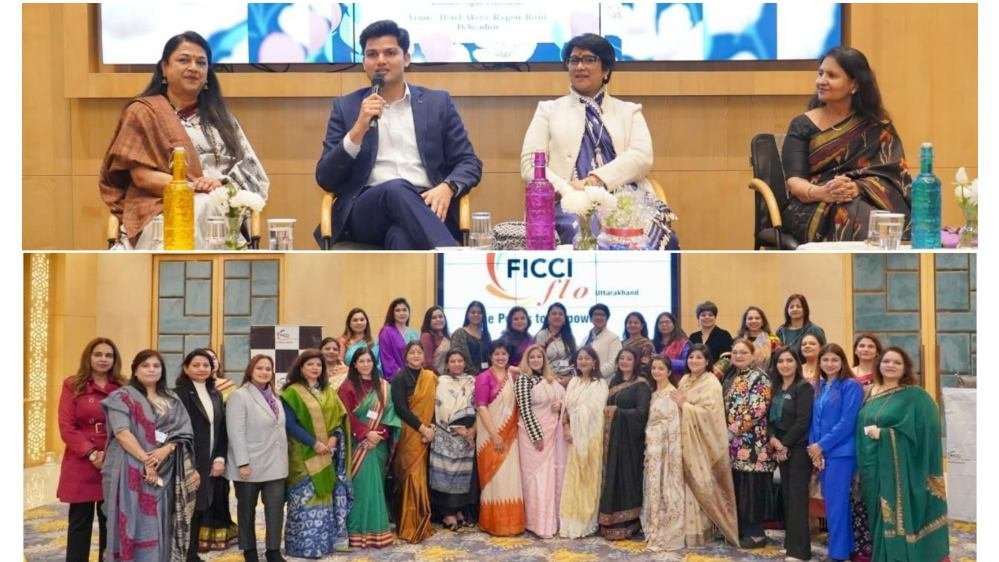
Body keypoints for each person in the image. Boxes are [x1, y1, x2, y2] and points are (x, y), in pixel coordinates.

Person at [315, 19, 482, 249]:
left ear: (407, 58)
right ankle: (452, 258)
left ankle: (435, 266)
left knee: (402, 237)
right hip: (367, 209)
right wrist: (358, 129)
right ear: (364, 63)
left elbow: (469, 162)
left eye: (390, 53)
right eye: (372, 54)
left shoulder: (437, 103)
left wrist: (448, 187)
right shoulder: (346, 107)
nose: (380, 60)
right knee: (396, 189)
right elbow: (326, 178)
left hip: (425, 204)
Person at [99, 31, 269, 250]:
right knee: (203, 205)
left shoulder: (223, 119)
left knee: (210, 206)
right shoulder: (143, 112)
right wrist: (193, 188)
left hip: (220, 207)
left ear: (208, 73)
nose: (193, 68)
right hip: (161, 207)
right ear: (164, 68)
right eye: (184, 60)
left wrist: (220, 184)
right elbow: (141, 177)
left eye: (201, 62)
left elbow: (253, 174)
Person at [519, 33, 676, 248]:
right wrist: (568, 191)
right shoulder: (548, 110)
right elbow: (530, 165)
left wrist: (593, 181)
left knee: (651, 236)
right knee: (584, 232)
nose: (579, 66)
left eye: (589, 59)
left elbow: (641, 157)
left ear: (606, 69)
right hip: (567, 202)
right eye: (574, 60)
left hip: (626, 198)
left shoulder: (629, 111)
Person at [781, 46, 911, 243]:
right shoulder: (802, 125)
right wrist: (824, 192)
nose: (821, 81)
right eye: (820, 73)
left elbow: (893, 175)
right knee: (855, 215)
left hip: (865, 200)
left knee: (874, 217)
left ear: (854, 84)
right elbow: (794, 182)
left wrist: (858, 187)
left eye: (832, 75)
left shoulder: (876, 125)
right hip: (812, 206)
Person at [102, 349, 200, 561]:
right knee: (133, 519)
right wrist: (147, 461)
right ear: (135, 370)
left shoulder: (171, 399)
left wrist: (167, 449)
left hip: (166, 470)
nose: (151, 370)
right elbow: (122, 433)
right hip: (129, 470)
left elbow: (183, 432)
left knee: (161, 519)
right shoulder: (122, 397)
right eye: (145, 365)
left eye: (156, 366)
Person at [857, 347, 949, 562]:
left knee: (892, 514)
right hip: (871, 466)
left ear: (905, 367)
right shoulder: (870, 392)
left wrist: (886, 434)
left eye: (897, 362)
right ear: (879, 365)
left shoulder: (915, 396)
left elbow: (927, 432)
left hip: (898, 468)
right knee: (877, 513)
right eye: (886, 361)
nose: (890, 365)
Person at [58, 338, 126, 562]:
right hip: (81, 460)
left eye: (108, 355)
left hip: (114, 458)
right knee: (80, 522)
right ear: (89, 357)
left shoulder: (123, 387)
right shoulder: (73, 385)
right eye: (98, 354)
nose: (103, 359)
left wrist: (108, 453)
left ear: (115, 360)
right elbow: (67, 426)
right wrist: (91, 453)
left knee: (110, 522)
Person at [279, 349, 352, 557]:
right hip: (302, 455)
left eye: (318, 365)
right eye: (310, 364)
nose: (315, 368)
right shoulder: (292, 392)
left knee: (324, 500)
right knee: (304, 500)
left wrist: (333, 438)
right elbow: (290, 424)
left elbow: (338, 419)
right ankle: (301, 546)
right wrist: (314, 443)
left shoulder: (328, 392)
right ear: (301, 367)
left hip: (327, 453)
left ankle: (322, 545)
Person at [672, 344, 739, 547]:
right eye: (691, 357)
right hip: (684, 439)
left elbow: (711, 415)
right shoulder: (684, 379)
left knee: (700, 483)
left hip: (702, 444)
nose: (694, 361)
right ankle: (684, 529)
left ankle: (701, 530)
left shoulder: (712, 383)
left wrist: (685, 406)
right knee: (684, 485)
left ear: (707, 361)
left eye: (699, 357)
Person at [226, 355, 289, 562]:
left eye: (268, 369)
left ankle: (273, 550)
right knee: (246, 509)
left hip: (276, 464)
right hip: (249, 464)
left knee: (275, 509)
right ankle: (249, 550)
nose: (264, 372)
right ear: (251, 371)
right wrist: (242, 463)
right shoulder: (239, 396)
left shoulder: (276, 398)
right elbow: (236, 432)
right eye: (259, 368)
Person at [337, 348, 401, 549]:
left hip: (378, 444)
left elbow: (390, 415)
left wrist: (378, 434)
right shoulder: (346, 387)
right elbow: (345, 415)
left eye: (369, 361)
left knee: (376, 488)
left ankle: (378, 533)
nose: (365, 364)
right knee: (361, 489)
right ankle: (357, 533)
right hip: (358, 444)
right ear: (354, 365)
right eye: (361, 361)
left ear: (374, 363)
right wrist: (365, 433)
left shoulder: (384, 387)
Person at [808, 343, 863, 562]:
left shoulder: (851, 386)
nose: (829, 364)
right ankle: (845, 547)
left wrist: (821, 445)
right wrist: (814, 449)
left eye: (834, 360)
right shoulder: (819, 386)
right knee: (832, 502)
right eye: (825, 360)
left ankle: (838, 554)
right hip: (822, 453)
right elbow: (814, 420)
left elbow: (847, 422)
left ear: (842, 362)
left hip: (842, 453)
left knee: (837, 503)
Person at [173, 349, 229, 561]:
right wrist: (191, 465)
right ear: (186, 368)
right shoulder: (178, 394)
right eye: (195, 365)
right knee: (184, 510)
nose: (201, 369)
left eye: (206, 365)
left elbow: (222, 429)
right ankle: (182, 553)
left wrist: (220, 457)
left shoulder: (216, 393)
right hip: (186, 462)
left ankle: (191, 553)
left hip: (210, 461)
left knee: (200, 507)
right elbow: (177, 431)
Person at [721, 338, 774, 549]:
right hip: (734, 444)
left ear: (753, 356)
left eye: (744, 352)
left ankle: (756, 534)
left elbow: (757, 409)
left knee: (752, 488)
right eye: (735, 352)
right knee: (740, 487)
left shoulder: (760, 377)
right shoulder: (732, 377)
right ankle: (742, 529)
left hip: (754, 444)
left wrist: (732, 430)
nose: (739, 356)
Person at [767, 347, 815, 562]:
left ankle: (800, 552)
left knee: (797, 499)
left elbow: (803, 421)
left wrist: (784, 445)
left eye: (789, 360)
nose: (785, 365)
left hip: (797, 449)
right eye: (780, 361)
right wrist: (773, 439)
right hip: (781, 447)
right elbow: (769, 418)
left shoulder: (803, 388)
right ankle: (790, 545)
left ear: (797, 363)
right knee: (787, 497)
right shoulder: (776, 387)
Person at [598, 348, 651, 540]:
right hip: (612, 440)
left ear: (636, 362)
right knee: (612, 477)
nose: (625, 361)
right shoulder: (614, 381)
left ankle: (629, 522)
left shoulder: (641, 385)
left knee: (627, 478)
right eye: (621, 358)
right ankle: (609, 520)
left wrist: (616, 413)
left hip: (630, 442)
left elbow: (642, 414)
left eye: (629, 358)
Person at [515, 344, 567, 539]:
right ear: (526, 360)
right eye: (532, 357)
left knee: (550, 476)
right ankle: (535, 522)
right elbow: (525, 410)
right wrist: (536, 436)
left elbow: (563, 398)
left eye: (539, 357)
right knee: (535, 477)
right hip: (532, 435)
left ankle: (550, 520)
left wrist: (560, 404)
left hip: (552, 432)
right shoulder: (524, 380)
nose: (536, 360)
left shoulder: (550, 379)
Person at [474, 341, 526, 536]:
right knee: (493, 479)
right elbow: (481, 407)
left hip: (511, 435)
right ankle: (494, 523)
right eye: (496, 354)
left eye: (504, 354)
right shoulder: (483, 377)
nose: (500, 357)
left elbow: (528, 370)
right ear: (490, 356)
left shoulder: (513, 376)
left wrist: (514, 368)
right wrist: (495, 435)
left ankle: (512, 523)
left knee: (510, 477)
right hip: (490, 434)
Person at [390, 342, 438, 543]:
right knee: (410, 474)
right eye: (412, 352)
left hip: (427, 432)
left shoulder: (431, 377)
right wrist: (422, 429)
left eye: (419, 352)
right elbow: (400, 409)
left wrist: (431, 427)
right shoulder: (399, 378)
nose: (416, 355)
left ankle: (422, 520)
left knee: (423, 475)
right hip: (409, 432)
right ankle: (408, 524)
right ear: (406, 356)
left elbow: (435, 404)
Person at [559, 347, 608, 538]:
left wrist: (576, 415)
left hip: (591, 436)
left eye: (587, 358)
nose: (583, 361)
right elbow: (566, 408)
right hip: (572, 436)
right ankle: (570, 521)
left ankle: (586, 521)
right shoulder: (573, 382)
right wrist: (566, 427)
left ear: (594, 361)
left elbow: (596, 409)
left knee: (588, 477)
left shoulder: (600, 384)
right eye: (580, 358)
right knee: (572, 477)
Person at [429, 350, 479, 530]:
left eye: (460, 360)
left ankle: (459, 511)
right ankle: (447, 514)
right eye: (453, 361)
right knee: (446, 474)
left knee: (463, 476)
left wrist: (472, 430)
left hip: (468, 435)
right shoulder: (442, 381)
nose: (457, 364)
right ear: (447, 364)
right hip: (446, 433)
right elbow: (441, 407)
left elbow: (477, 406)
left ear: (465, 363)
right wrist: (457, 428)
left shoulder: (472, 381)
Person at [641, 356, 684, 551]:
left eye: (661, 368)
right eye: (654, 368)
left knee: (665, 485)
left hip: (666, 449)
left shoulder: (672, 393)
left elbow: (674, 425)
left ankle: (665, 529)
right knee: (652, 484)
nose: (656, 371)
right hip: (652, 447)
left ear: (669, 371)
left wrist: (661, 439)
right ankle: (653, 526)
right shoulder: (653, 393)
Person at [534, 302, 577, 385]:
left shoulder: (570, 337)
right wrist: (552, 377)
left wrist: (569, 378)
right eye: (554, 314)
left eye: (561, 314)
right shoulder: (542, 335)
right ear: (548, 318)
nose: (557, 316)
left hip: (568, 379)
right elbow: (537, 361)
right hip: (548, 379)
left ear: (564, 319)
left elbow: (574, 361)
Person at [378, 297, 420, 379]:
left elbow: (420, 356)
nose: (402, 313)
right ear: (392, 313)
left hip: (415, 376)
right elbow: (387, 357)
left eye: (404, 310)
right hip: (397, 378)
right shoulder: (386, 332)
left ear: (409, 312)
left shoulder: (415, 333)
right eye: (398, 310)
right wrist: (402, 375)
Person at [450, 300, 492, 376]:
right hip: (466, 377)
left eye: (479, 313)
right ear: (467, 315)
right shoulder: (459, 333)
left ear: (483, 316)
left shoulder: (486, 334)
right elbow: (456, 358)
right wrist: (474, 376)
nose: (476, 315)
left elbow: (490, 357)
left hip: (486, 376)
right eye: (473, 312)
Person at [688, 301, 733, 369]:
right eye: (703, 315)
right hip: (696, 372)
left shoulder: (724, 335)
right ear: (698, 318)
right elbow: (690, 357)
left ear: (715, 317)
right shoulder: (693, 336)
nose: (707, 317)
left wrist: (711, 373)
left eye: (710, 315)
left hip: (717, 374)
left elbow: (726, 360)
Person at [582, 303, 622, 380]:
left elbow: (613, 364)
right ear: (591, 318)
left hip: (603, 382)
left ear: (607, 318)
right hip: (585, 381)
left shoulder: (613, 338)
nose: (599, 317)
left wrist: (593, 376)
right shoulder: (585, 339)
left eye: (602, 315)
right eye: (596, 315)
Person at [735, 306, 781, 370]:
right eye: (750, 318)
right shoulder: (738, 341)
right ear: (745, 322)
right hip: (741, 375)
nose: (754, 321)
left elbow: (778, 361)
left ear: (763, 322)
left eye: (757, 318)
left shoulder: (774, 341)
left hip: (768, 375)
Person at [653, 311, 689, 383]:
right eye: (661, 323)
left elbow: (687, 364)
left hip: (677, 383)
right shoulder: (652, 344)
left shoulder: (683, 343)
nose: (664, 324)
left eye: (667, 322)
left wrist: (665, 360)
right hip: (655, 382)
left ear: (674, 324)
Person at [419, 305, 452, 374]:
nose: (438, 319)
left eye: (440, 316)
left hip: (449, 375)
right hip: (433, 376)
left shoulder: (449, 335)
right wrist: (440, 377)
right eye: (434, 318)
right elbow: (427, 363)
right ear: (429, 321)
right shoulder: (426, 336)